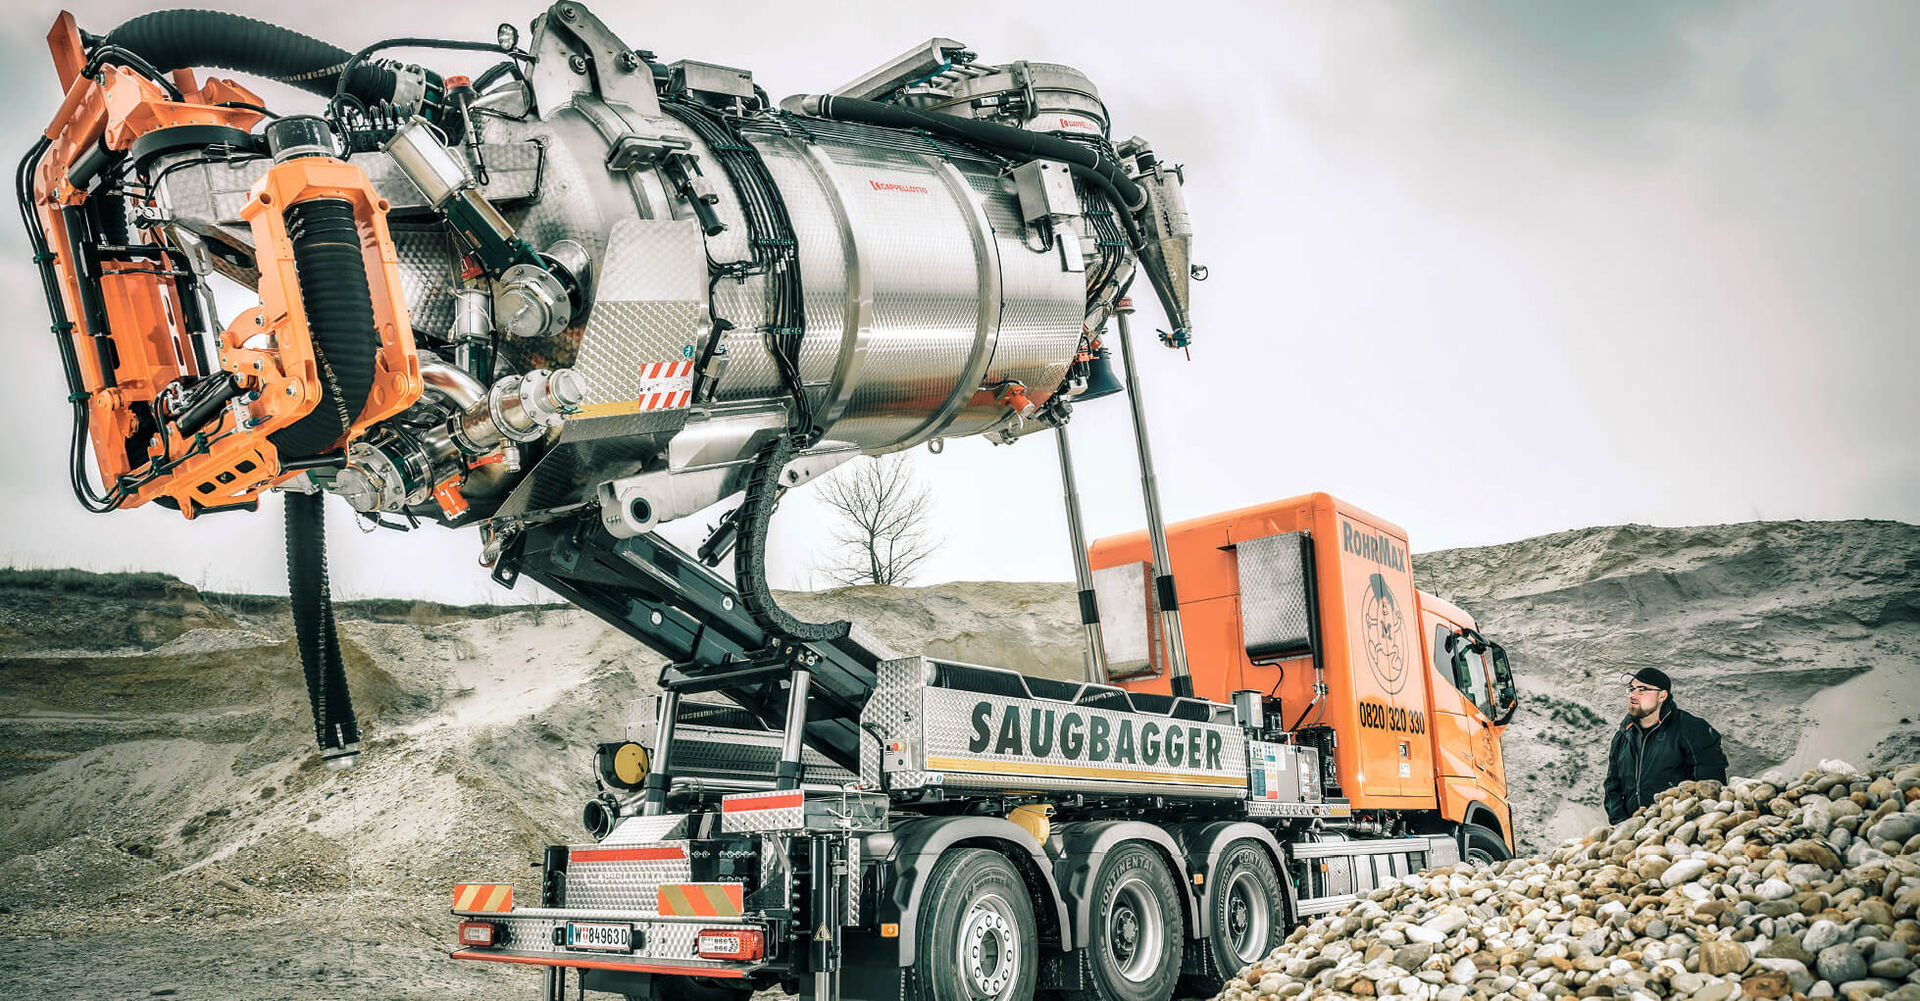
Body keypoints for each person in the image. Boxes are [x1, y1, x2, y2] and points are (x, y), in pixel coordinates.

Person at [1602, 667, 1728, 823]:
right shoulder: (1623, 736)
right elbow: (1612, 786)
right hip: (1634, 832)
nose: (1633, 694)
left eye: (1643, 689)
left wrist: (1679, 822)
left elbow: (1711, 786)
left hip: (1679, 826)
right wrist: (1621, 823)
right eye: (1632, 689)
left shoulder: (1692, 729)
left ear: (1662, 695)